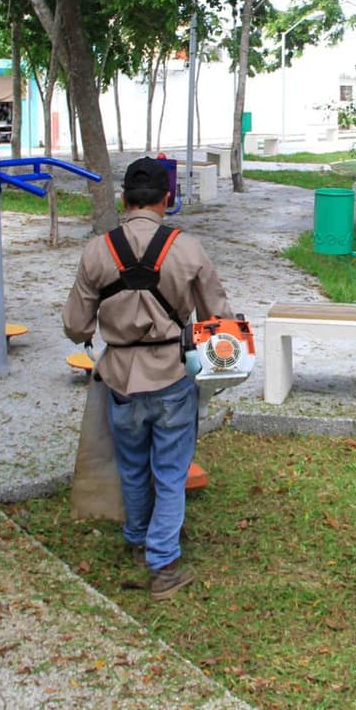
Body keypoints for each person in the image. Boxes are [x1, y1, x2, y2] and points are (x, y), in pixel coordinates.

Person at [62, 157, 233, 601]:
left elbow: (76, 325)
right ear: (167, 200)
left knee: (133, 467)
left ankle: (138, 540)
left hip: (118, 377)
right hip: (172, 376)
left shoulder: (98, 250)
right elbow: (218, 319)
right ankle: (163, 565)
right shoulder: (188, 249)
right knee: (170, 473)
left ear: (124, 200)